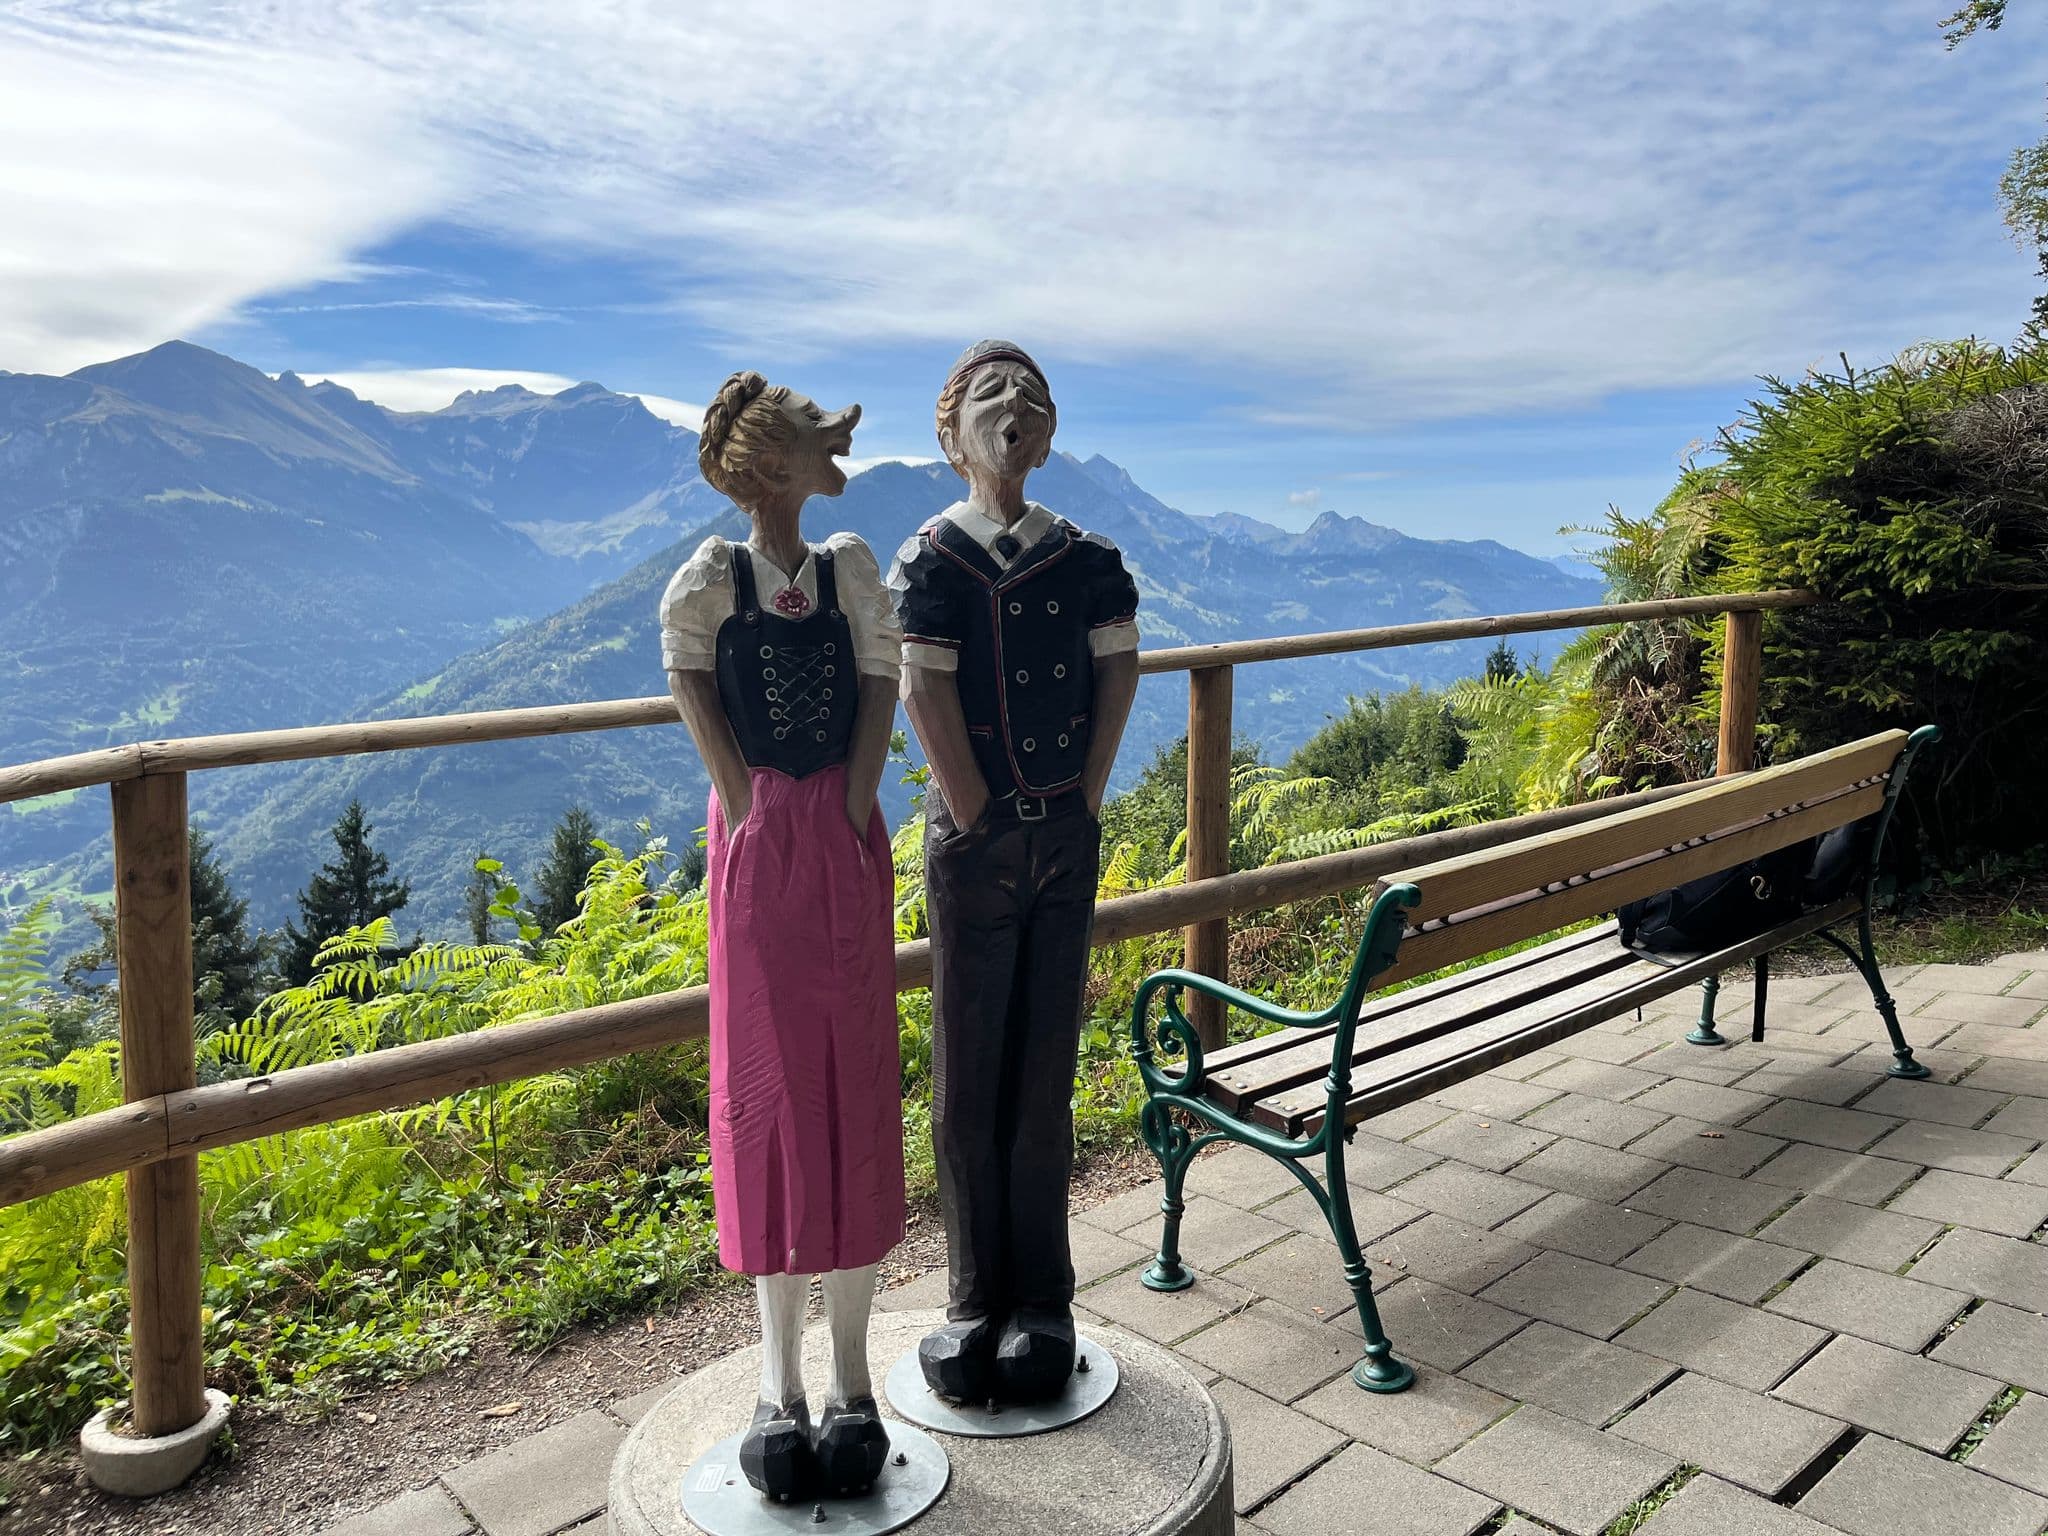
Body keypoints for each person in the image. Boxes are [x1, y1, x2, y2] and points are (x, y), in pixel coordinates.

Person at [659, 371, 905, 1500]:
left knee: (849, 1080)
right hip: (761, 842)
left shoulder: (847, 566)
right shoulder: (713, 581)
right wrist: (748, 805)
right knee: (760, 1091)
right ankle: (777, 1382)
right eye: (815, 439)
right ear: (770, 468)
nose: (835, 447)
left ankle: (850, 1377)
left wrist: (852, 806)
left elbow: (878, 682)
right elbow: (688, 680)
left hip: (835, 838)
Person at [889, 340, 1140, 1404]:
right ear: (949, 434)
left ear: (1049, 430)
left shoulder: (1084, 557)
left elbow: (1116, 666)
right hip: (976, 846)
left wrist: (1081, 798)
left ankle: (1042, 1301)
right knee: (963, 1080)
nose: (1016, 408)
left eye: (1032, 396)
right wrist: (974, 806)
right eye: (992, 394)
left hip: (1059, 837)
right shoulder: (932, 559)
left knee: (1043, 1075)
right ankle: (969, 1301)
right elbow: (919, 687)